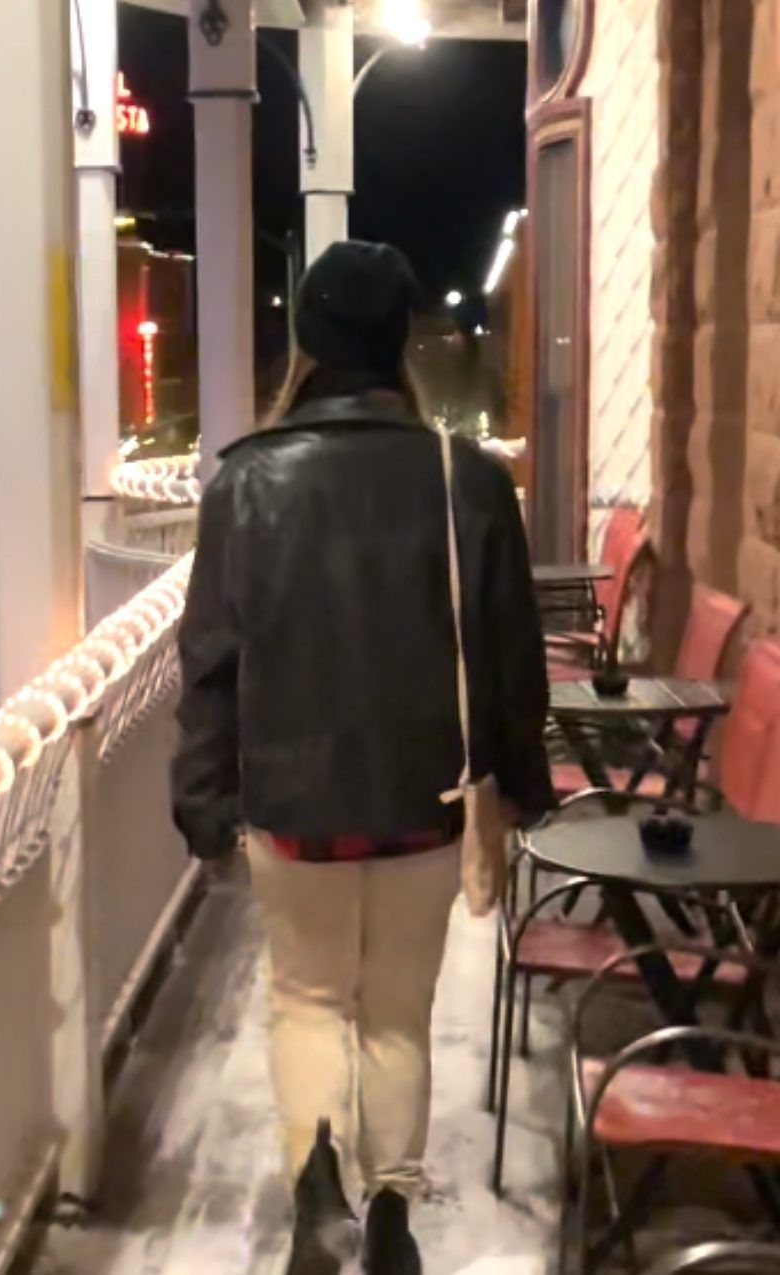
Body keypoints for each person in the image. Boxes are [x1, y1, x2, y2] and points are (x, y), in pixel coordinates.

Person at [171, 241, 555, 1274]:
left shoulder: (245, 482)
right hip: (421, 801)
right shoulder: (463, 479)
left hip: (290, 806)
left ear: (306, 342)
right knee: (396, 1014)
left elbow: (210, 660)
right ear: (398, 343)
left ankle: (315, 1191)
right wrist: (522, 785)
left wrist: (203, 802)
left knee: (303, 1000)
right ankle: (391, 1213)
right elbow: (512, 650)